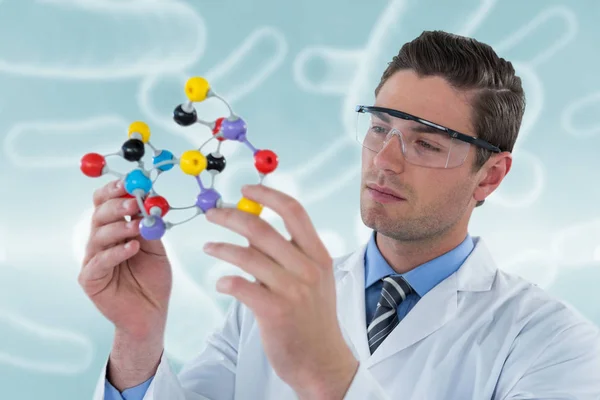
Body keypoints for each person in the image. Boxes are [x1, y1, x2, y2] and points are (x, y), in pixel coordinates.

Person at [80, 30, 600, 400]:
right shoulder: (268, 302)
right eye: (379, 129)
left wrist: (330, 377)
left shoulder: (551, 342)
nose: (385, 161)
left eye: (425, 143)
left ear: (490, 176)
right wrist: (138, 339)